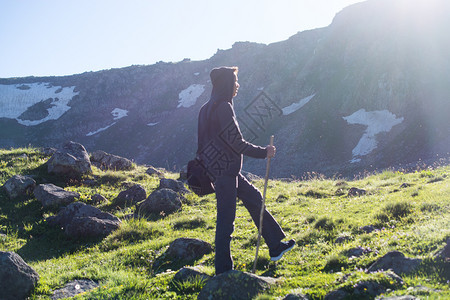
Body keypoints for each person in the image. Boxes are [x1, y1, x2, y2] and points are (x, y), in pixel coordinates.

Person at [197, 66, 295, 275]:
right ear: (226, 84)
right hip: (225, 174)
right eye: (234, 81)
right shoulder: (223, 107)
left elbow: (202, 144)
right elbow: (236, 142)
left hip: (221, 171)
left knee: (254, 197)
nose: (237, 86)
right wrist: (264, 152)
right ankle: (223, 272)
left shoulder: (205, 109)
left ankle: (275, 246)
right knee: (226, 221)